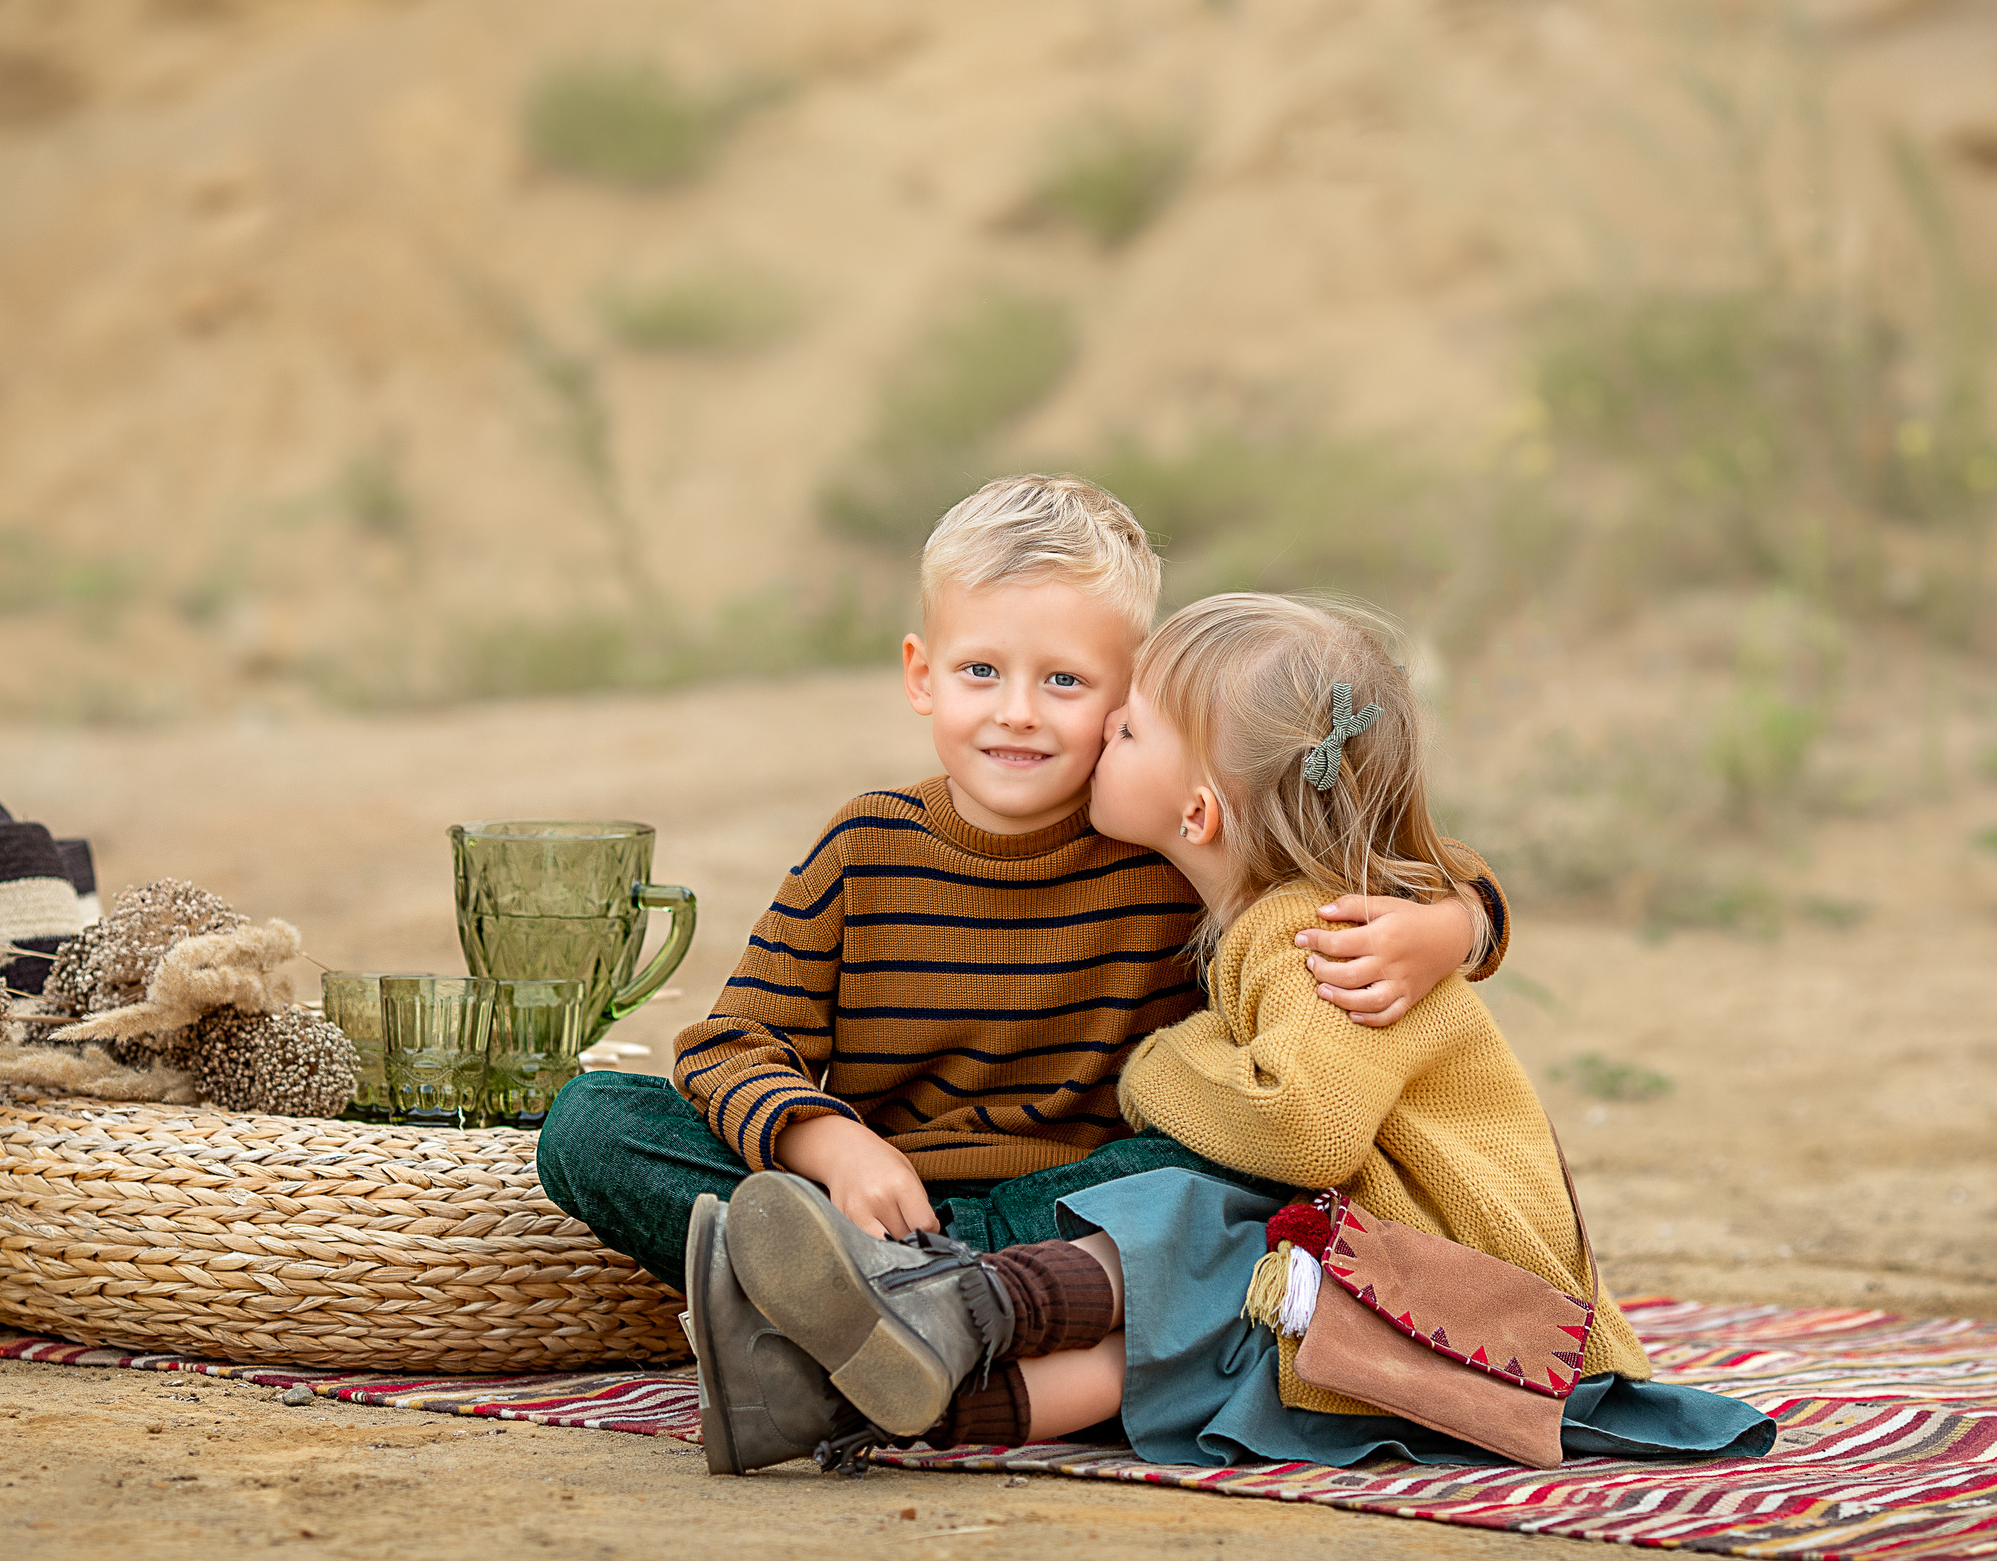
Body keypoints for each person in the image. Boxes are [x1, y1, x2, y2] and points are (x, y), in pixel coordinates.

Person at [538, 478, 1508, 1471]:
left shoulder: (1164, 840)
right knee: (593, 1126)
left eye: (1064, 682)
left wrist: (1452, 924)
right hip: (873, 1207)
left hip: (1075, 1227)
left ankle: (876, 1327)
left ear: (1133, 694)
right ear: (921, 675)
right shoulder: (865, 847)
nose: (1016, 715)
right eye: (980, 671)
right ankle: (869, 1306)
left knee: (1230, 1175)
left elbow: (1373, 844)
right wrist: (831, 1145)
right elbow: (732, 1042)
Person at [711, 593, 1775, 1471]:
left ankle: (961, 1315)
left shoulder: (1316, 936)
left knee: (1194, 1220)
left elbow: (1302, 1132)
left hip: (1460, 1289)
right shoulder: (1265, 907)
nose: (1095, 735)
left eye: (1123, 728)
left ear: (1198, 817)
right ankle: (865, 1395)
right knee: (1169, 1324)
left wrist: (1157, 1062)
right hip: (1353, 1272)